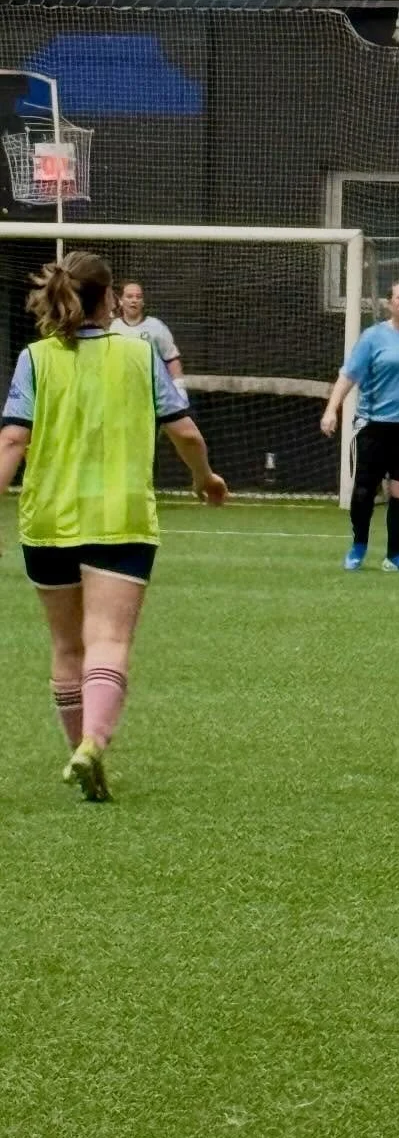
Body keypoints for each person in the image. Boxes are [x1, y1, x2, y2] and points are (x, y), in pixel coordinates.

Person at [0, 250, 226, 802]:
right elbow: (186, 433)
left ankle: (80, 751)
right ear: (108, 299)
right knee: (108, 638)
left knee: (66, 647)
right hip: (120, 516)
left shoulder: (36, 358)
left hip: (49, 518)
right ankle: (93, 745)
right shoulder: (139, 355)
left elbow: (12, 439)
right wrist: (205, 478)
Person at [321, 279, 399, 573]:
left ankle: (395, 555)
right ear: (390, 303)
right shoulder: (373, 337)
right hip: (375, 425)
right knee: (364, 489)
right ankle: (358, 548)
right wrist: (331, 410)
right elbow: (348, 375)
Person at [112, 278, 183, 380]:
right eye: (129, 296)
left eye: (138, 297)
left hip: (150, 387)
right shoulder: (112, 327)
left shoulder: (156, 326)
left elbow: (171, 359)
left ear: (143, 302)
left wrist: (179, 386)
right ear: (121, 301)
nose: (134, 300)